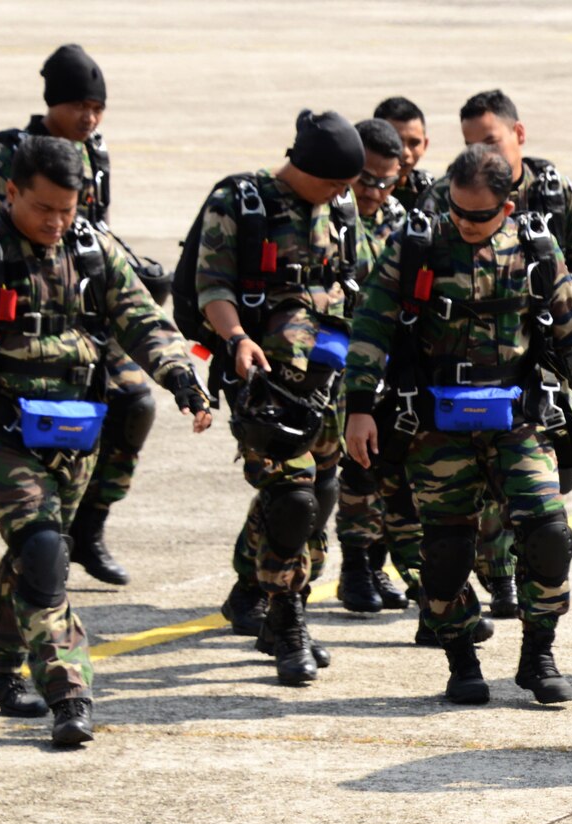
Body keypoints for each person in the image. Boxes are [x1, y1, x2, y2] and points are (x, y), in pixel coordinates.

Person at [344, 146, 572, 704]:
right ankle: (461, 657)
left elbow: (571, 331)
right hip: (435, 425)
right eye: (458, 211)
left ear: (508, 204)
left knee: (547, 532)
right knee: (445, 552)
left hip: (519, 419)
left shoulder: (535, 249)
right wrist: (357, 407)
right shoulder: (417, 245)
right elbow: (372, 324)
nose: (466, 225)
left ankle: (538, 654)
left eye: (480, 216)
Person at [0, 136, 212, 743]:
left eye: (67, 210)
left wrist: (182, 379)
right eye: (42, 209)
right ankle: (68, 693)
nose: (55, 223)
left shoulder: (91, 248)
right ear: (11, 191)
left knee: (32, 553)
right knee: (47, 552)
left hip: (77, 430)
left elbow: (142, 320)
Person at [0, 43, 168, 588]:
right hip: (2, 324)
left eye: (97, 106)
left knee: (134, 401)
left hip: (78, 318)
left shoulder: (93, 156)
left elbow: (88, 236)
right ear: (51, 104)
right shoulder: (7, 158)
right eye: (79, 104)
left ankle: (88, 527)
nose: (89, 116)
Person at [434, 89, 572, 617]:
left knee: (552, 476)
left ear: (519, 135)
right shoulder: (448, 194)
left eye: (492, 141)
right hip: (474, 358)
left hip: (547, 349)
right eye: (471, 144)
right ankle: (497, 575)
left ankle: (521, 578)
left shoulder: (550, 188)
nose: (484, 154)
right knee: (478, 478)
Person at [189, 109, 363, 685]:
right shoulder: (240, 201)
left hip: (328, 379)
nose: (343, 193)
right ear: (304, 167)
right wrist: (235, 340)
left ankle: (266, 600)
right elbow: (212, 283)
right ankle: (287, 623)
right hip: (267, 382)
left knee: (324, 496)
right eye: (335, 181)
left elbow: (355, 284)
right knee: (291, 500)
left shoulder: (339, 207)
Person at [333, 116, 419, 616]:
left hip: (385, 366)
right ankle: (354, 567)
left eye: (388, 181)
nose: (376, 191)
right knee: (351, 474)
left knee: (384, 468)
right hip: (334, 363)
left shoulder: (401, 221)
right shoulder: (328, 217)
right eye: (367, 179)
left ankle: (374, 562)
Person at [373, 96, 432, 214]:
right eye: (396, 142)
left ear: (425, 145)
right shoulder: (360, 194)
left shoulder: (429, 190)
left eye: (414, 143)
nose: (405, 152)